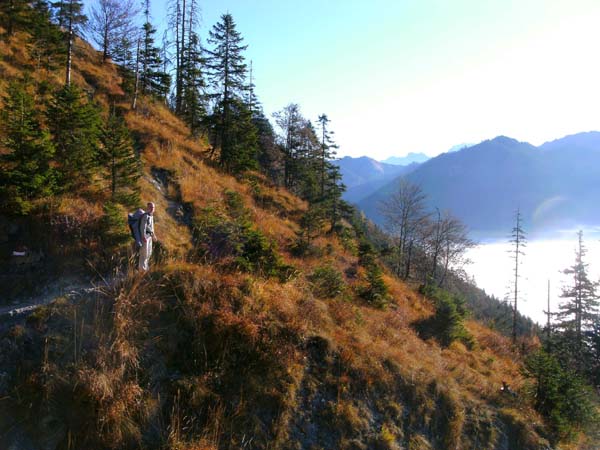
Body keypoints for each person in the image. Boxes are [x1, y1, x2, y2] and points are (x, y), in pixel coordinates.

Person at [139, 202, 157, 272]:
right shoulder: (145, 216)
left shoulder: (151, 216)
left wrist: (153, 236)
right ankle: (142, 269)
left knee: (149, 252)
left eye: (153, 207)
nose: (152, 209)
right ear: (147, 208)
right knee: (144, 253)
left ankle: (146, 268)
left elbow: (151, 228)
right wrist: (143, 236)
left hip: (149, 237)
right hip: (145, 237)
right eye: (151, 207)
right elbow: (142, 227)